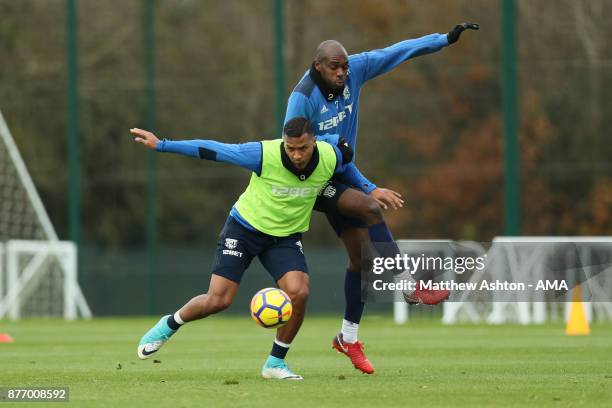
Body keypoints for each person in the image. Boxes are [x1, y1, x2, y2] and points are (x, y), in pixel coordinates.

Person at [285, 23, 479, 374]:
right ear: (317, 66)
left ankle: (347, 338)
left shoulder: (355, 69)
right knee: (372, 206)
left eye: (345, 66)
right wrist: (368, 184)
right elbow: (294, 149)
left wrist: (444, 40)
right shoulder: (301, 97)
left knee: (362, 264)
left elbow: (397, 51)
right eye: (334, 67)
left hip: (340, 173)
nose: (343, 72)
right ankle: (408, 287)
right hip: (311, 180)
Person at [131, 117, 365, 380]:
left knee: (298, 293)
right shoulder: (264, 154)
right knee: (219, 300)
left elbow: (343, 155)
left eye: (303, 148)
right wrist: (162, 145)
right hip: (243, 229)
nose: (296, 155)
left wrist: (369, 188)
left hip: (284, 237)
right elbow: (214, 150)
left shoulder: (329, 155)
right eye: (290, 148)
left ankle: (275, 364)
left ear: (314, 142)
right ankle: (169, 324)